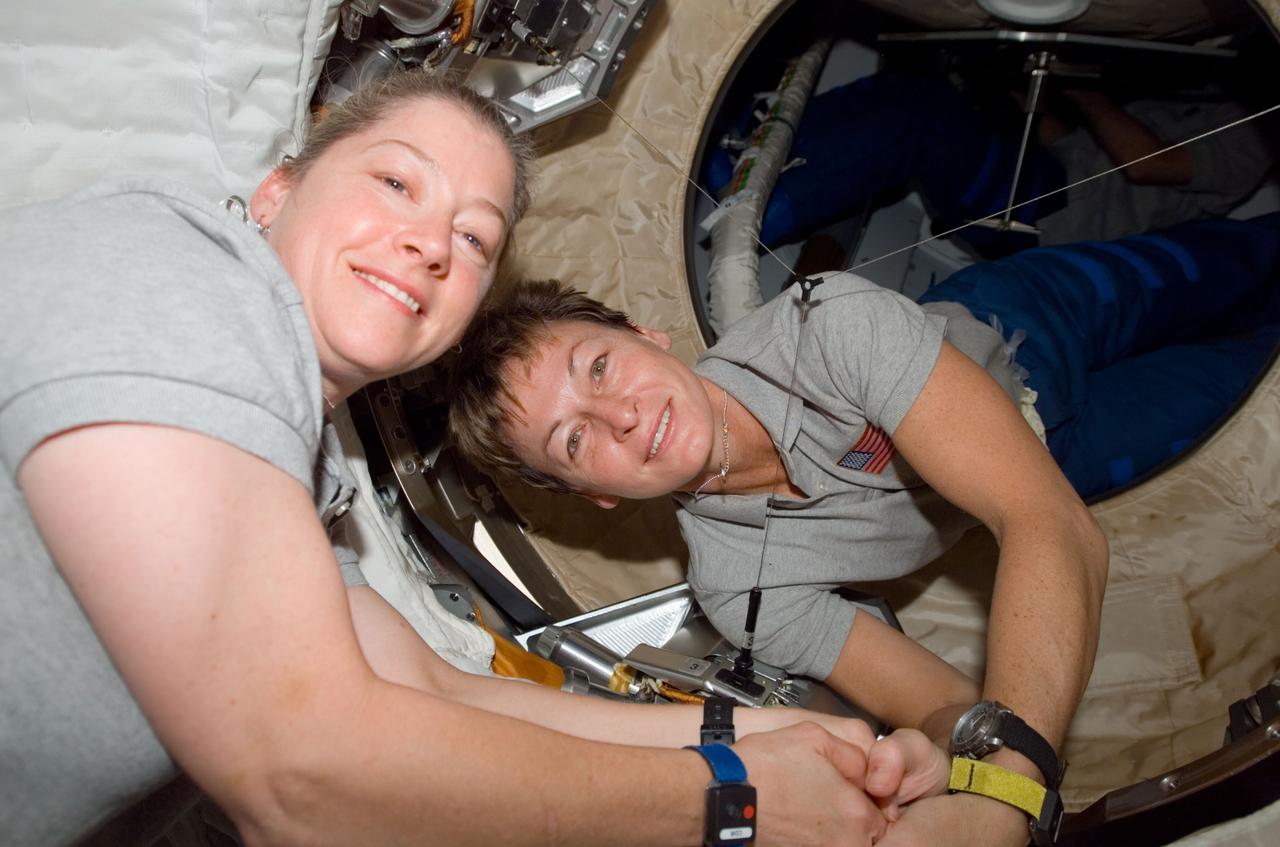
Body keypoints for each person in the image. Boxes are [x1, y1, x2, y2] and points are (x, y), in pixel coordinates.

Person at [0, 69, 944, 846]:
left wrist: (769, 732)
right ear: (278, 190)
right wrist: (731, 797)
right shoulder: (177, 275)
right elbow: (303, 774)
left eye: (474, 236)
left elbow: (428, 689)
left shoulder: (290, 467)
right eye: (397, 182)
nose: (429, 244)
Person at [450, 213, 1280, 845]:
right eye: (575, 439)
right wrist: (944, 767)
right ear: (592, 494)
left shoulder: (825, 325)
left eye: (598, 367)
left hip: (1030, 321)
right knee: (1251, 366)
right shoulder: (743, 594)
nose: (620, 416)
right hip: (1068, 443)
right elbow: (941, 702)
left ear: (645, 334)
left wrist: (1008, 794)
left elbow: (1040, 520)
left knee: (1244, 260)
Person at [714, 69, 1274, 255]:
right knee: (928, 90)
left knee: (924, 113)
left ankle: (766, 205)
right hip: (1047, 177)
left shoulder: (1252, 145)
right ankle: (753, 150)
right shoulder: (1209, 99)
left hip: (1052, 217)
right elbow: (1070, 146)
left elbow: (1146, 165)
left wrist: (1082, 90)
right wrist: (1017, 88)